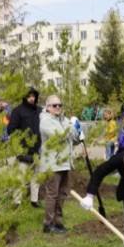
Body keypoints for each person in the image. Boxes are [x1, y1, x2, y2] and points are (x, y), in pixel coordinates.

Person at [38, 95, 74, 234]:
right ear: (48, 107)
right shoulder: (45, 122)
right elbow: (58, 137)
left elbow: (74, 137)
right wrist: (70, 128)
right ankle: (48, 224)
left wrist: (75, 130)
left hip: (64, 163)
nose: (58, 107)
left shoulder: (63, 120)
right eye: (54, 105)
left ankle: (58, 222)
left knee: (62, 194)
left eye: (60, 104)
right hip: (52, 164)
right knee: (52, 195)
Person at [8, 87, 43, 208]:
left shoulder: (40, 111)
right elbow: (11, 129)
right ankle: (16, 201)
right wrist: (19, 146)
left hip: (37, 149)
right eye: (29, 96)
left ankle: (34, 200)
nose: (31, 98)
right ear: (24, 97)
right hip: (23, 150)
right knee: (20, 177)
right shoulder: (17, 111)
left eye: (33, 96)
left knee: (36, 177)